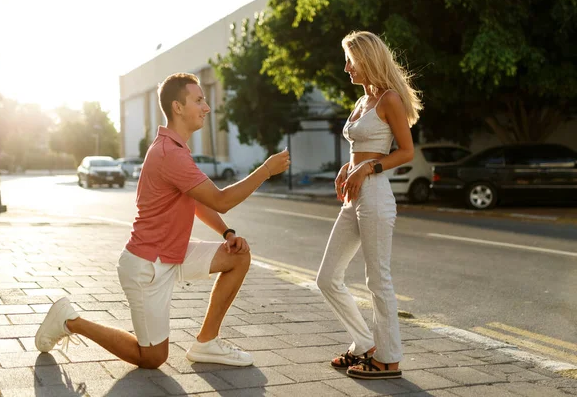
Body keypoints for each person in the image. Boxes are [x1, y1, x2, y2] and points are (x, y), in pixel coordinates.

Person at [35, 73, 290, 369]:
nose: (206, 107)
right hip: (147, 266)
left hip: (173, 254)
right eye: (199, 100)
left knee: (238, 257)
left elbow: (196, 201)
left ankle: (206, 343)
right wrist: (265, 170)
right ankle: (70, 320)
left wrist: (226, 232)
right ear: (177, 107)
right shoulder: (169, 152)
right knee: (153, 358)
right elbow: (222, 199)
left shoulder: (176, 148)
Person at [316, 30, 422, 380]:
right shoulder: (363, 101)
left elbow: (405, 152)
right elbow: (364, 146)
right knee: (327, 277)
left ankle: (389, 358)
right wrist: (350, 165)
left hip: (375, 194)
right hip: (354, 195)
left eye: (351, 60)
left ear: (368, 59)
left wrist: (368, 166)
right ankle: (364, 343)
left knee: (378, 280)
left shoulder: (389, 99)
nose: (346, 67)